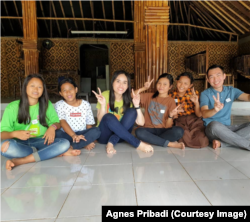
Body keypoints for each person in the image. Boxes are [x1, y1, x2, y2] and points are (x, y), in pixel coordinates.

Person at [0, 74, 80, 171]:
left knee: (64, 143)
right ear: (25, 87)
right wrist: (14, 133)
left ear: (43, 90)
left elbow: (57, 122)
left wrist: (52, 128)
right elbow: (2, 134)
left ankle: (21, 160)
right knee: (4, 147)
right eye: (32, 86)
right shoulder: (12, 107)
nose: (36, 89)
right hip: (20, 143)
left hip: (42, 141)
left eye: (39, 87)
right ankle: (49, 153)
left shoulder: (46, 104)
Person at [92, 70, 154, 154]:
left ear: (128, 86)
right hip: (104, 136)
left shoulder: (128, 100)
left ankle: (111, 142)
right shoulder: (105, 95)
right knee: (108, 117)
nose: (121, 85)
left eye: (125, 82)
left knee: (132, 111)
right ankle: (137, 144)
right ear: (112, 82)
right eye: (118, 81)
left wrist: (137, 106)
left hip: (121, 137)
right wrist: (103, 105)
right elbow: (100, 119)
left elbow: (141, 123)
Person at [200, 64, 250, 150]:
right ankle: (247, 145)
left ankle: (223, 143)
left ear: (224, 76)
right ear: (208, 80)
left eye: (218, 75)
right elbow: (204, 114)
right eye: (211, 77)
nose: (215, 79)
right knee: (214, 125)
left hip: (228, 129)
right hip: (213, 130)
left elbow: (247, 97)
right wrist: (215, 110)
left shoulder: (232, 90)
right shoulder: (205, 94)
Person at [134, 73, 185, 149]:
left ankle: (152, 140)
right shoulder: (149, 96)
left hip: (163, 130)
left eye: (165, 84)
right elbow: (133, 95)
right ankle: (170, 144)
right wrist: (144, 88)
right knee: (139, 132)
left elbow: (168, 126)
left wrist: (170, 115)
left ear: (170, 87)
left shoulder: (170, 101)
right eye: (159, 83)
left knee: (179, 131)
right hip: (148, 129)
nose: (161, 86)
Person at [55, 77, 101, 150]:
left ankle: (72, 146)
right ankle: (83, 143)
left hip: (82, 134)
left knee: (96, 131)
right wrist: (74, 135)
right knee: (57, 133)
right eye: (64, 90)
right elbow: (62, 122)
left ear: (76, 90)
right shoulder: (59, 105)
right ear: (61, 93)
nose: (68, 92)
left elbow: (89, 124)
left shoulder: (85, 104)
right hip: (67, 134)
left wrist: (88, 138)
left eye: (70, 89)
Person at [169, 72, 209, 148]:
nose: (182, 85)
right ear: (177, 82)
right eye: (180, 82)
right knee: (184, 134)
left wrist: (196, 103)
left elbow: (199, 115)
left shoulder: (194, 94)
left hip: (194, 119)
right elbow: (170, 114)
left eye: (185, 83)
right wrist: (176, 112)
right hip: (180, 120)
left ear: (190, 85)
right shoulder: (171, 94)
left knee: (201, 139)